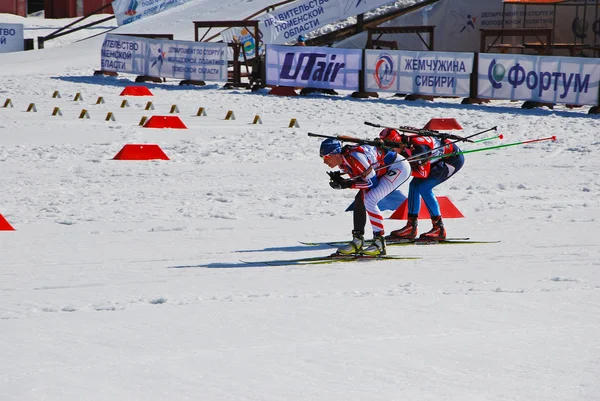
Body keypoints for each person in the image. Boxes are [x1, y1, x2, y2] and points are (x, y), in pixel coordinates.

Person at [320, 138, 411, 255]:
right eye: (322, 158)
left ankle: (379, 243)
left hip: (398, 167)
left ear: (336, 153)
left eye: (326, 157)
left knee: (370, 200)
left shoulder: (356, 157)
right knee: (359, 200)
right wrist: (344, 181)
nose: (324, 161)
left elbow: (372, 183)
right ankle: (357, 241)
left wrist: (347, 184)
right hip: (382, 170)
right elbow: (362, 178)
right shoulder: (343, 162)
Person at [378, 127, 465, 241]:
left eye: (392, 150)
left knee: (424, 187)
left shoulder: (419, 149)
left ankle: (439, 228)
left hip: (452, 159)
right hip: (435, 159)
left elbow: (423, 173)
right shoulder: (404, 145)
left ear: (399, 144)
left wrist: (405, 168)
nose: (391, 153)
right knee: (414, 185)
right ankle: (411, 227)